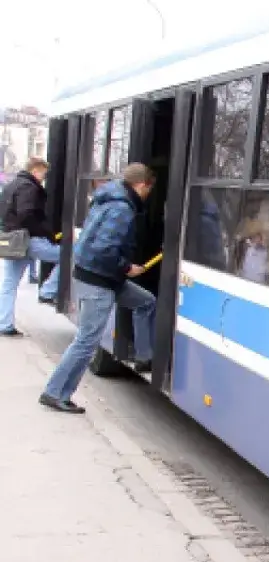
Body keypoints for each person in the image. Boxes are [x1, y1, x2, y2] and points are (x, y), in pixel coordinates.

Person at [39, 163, 158, 414]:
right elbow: (105, 248)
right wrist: (127, 268)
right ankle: (54, 392)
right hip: (99, 280)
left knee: (145, 302)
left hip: (100, 276)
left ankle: (144, 356)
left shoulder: (108, 197)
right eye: (149, 189)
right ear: (142, 184)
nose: (149, 195)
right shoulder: (122, 208)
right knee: (86, 341)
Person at [1, 158, 62, 335]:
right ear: (35, 170)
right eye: (44, 172)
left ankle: (4, 324)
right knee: (70, 256)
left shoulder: (12, 184)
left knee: (9, 284)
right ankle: (48, 291)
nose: (44, 177)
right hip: (27, 239)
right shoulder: (28, 187)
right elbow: (26, 215)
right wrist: (47, 234)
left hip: (13, 241)